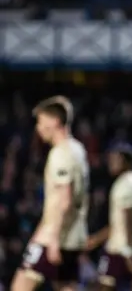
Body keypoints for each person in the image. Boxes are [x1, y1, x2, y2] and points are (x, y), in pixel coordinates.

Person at [11, 96, 90, 291]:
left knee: (21, 285)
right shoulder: (78, 149)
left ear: (54, 122)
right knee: (65, 286)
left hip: (54, 237)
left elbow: (65, 199)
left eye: (41, 121)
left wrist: (53, 239)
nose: (38, 128)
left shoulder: (60, 153)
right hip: (74, 236)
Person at [96, 144, 132, 291]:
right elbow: (119, 222)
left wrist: (127, 251)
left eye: (115, 158)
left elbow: (128, 218)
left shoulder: (124, 184)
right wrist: (96, 240)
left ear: (125, 161)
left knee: (105, 285)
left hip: (122, 248)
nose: (110, 162)